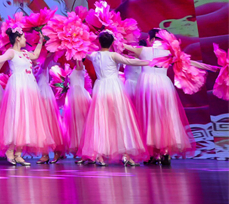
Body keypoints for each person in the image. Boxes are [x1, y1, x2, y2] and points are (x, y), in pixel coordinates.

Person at [126, 29, 207, 165]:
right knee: (166, 117)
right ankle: (165, 152)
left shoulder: (143, 51)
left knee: (150, 118)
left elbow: (123, 47)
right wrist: (209, 67)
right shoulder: (169, 53)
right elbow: (189, 62)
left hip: (147, 85)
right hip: (164, 85)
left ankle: (155, 153)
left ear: (151, 39)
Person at [78, 31, 149, 166]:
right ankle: (125, 155)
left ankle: (99, 155)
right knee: (120, 119)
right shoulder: (113, 55)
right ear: (112, 43)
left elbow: (81, 50)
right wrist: (149, 62)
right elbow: (130, 61)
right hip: (114, 88)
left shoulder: (93, 55)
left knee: (101, 120)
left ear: (99, 42)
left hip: (100, 88)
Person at [0, 28, 54, 166]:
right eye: (24, 37)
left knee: (26, 119)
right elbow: (0, 59)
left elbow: (36, 55)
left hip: (29, 86)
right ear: (18, 38)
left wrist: (41, 41)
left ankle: (18, 154)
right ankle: (10, 150)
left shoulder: (25, 53)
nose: (26, 39)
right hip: (17, 87)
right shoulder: (11, 52)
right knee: (16, 117)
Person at [64, 61, 92, 164]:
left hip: (79, 96)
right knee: (76, 126)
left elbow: (79, 60)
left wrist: (77, 54)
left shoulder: (80, 66)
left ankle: (86, 153)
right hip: (73, 97)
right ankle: (83, 153)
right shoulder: (75, 67)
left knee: (81, 125)